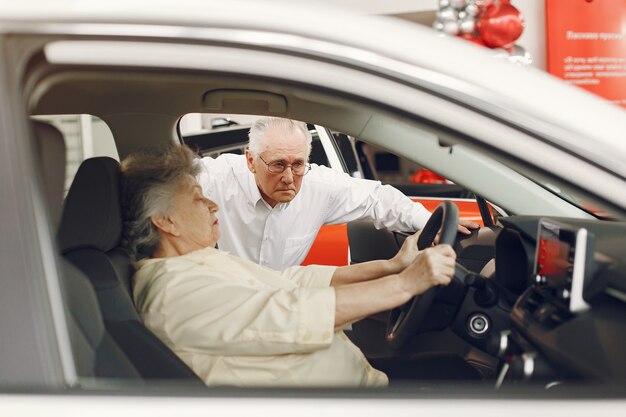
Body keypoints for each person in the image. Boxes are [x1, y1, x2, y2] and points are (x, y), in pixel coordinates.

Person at [121, 144, 457, 387]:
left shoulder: (196, 262)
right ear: (165, 220)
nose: (212, 204)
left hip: (358, 383)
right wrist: (405, 284)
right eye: (197, 198)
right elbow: (290, 312)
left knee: (453, 368)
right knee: (462, 376)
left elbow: (292, 282)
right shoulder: (174, 291)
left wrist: (393, 266)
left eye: (298, 164)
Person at [198, 116, 478, 270]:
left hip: (281, 303)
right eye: (277, 165)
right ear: (250, 160)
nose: (288, 178)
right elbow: (164, 179)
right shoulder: (217, 178)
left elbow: (377, 198)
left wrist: (430, 223)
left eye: (297, 165)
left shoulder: (320, 186)